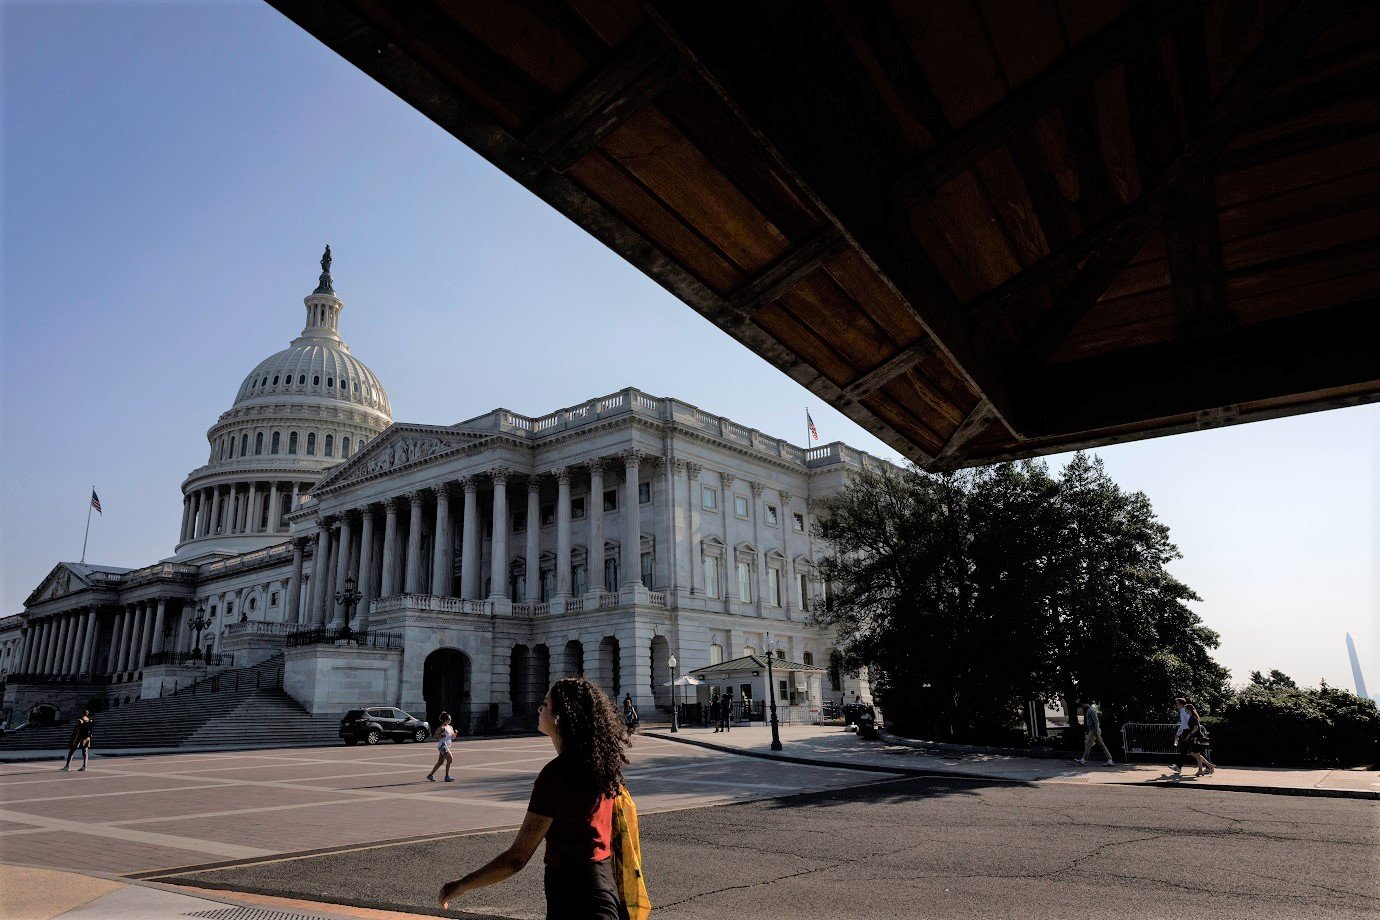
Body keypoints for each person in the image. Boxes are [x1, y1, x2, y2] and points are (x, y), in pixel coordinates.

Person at [439, 677, 633, 919]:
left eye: (545, 704)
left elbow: (516, 858)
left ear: (559, 717)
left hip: (576, 896)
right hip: (603, 886)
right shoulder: (599, 766)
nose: (539, 709)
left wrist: (460, 885)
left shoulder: (557, 775)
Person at [1183, 703, 1216, 776]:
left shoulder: (1193, 718)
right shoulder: (1193, 717)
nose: (1185, 711)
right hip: (1196, 737)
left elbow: (1196, 728)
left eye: (1185, 709)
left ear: (1189, 710)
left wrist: (1189, 735)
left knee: (1195, 754)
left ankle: (1202, 769)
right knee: (1196, 754)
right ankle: (1209, 766)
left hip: (1196, 737)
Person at [426, 711, 456, 782]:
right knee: (450, 759)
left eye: (450, 719)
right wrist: (441, 735)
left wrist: (455, 733)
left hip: (447, 746)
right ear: (445, 720)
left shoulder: (450, 727)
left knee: (440, 762)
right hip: (443, 746)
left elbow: (453, 737)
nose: (450, 720)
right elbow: (435, 736)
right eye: (449, 719)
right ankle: (447, 776)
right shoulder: (442, 727)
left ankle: (430, 775)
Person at [1171, 697, 1192, 776]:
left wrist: (1190, 733)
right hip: (1186, 732)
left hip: (1187, 732)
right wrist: (1178, 734)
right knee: (1187, 750)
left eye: (1177, 703)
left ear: (1182, 704)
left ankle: (1178, 766)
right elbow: (1183, 725)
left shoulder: (1184, 712)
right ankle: (1178, 766)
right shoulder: (1182, 712)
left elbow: (1188, 723)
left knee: (1192, 751)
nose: (1176, 705)